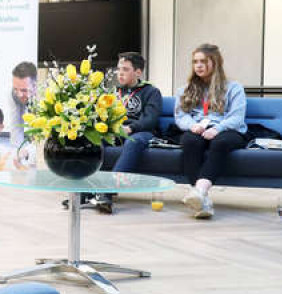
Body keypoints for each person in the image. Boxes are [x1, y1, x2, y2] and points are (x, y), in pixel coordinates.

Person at [174, 44, 247, 219]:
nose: (198, 65)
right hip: (198, 129)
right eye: (195, 62)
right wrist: (192, 125)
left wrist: (217, 129)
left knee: (220, 142)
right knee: (190, 141)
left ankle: (199, 192)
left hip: (228, 130)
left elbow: (236, 118)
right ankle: (201, 199)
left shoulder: (234, 88)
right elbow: (181, 116)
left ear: (215, 63)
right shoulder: (184, 90)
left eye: (203, 61)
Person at [90, 52, 163, 214]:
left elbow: (150, 119)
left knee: (133, 142)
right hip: (116, 131)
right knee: (92, 140)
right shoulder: (114, 92)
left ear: (138, 72)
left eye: (125, 69)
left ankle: (106, 194)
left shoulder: (151, 92)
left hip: (141, 132)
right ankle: (85, 193)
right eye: (118, 69)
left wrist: (130, 128)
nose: (119, 73)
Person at [9, 61, 37, 150]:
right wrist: (17, 153)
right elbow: (16, 126)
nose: (19, 94)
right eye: (16, 89)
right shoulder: (14, 94)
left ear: (35, 86)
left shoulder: (45, 93)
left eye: (24, 90)